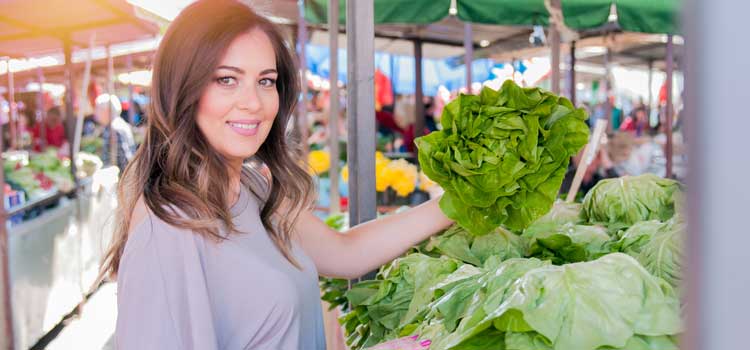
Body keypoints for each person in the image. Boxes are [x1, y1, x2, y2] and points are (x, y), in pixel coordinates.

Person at [97, 1, 451, 349]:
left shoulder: (252, 190)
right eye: (226, 79)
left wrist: (457, 203)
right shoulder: (170, 226)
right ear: (181, 88)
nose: (253, 101)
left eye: (266, 81)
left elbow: (346, 252)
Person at [94, 93, 136, 171]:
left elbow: (124, 159)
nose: (96, 112)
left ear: (107, 110)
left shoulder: (115, 128)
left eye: (98, 109)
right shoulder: (117, 124)